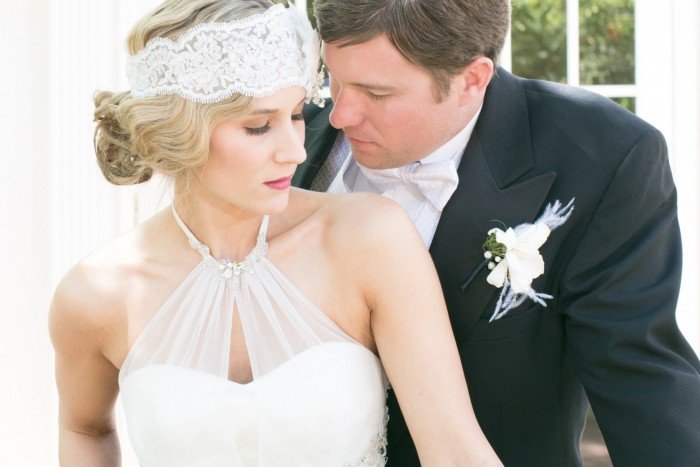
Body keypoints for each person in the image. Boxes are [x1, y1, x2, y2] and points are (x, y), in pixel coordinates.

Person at [48, 1, 503, 466]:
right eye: (260, 126)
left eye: (298, 114)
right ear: (179, 134)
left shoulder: (370, 239)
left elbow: (454, 452)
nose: (294, 151)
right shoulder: (94, 295)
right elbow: (83, 428)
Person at [295, 0, 700, 466]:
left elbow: (641, 379)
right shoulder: (281, 131)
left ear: (472, 79)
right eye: (334, 77)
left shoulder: (602, 158)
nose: (340, 113)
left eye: (377, 94)